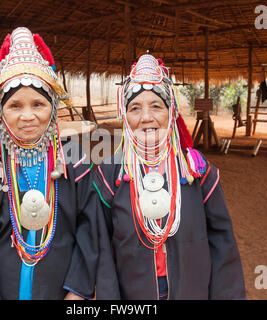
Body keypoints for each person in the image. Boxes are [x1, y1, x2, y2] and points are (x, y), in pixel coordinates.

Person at [93, 54, 246, 300]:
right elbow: (102, 250)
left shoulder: (195, 170)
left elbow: (222, 242)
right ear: (124, 116)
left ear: (171, 111)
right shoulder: (110, 174)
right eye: (135, 108)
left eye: (156, 106)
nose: (146, 117)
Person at [0, 27, 97, 300]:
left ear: (53, 109)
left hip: (62, 292)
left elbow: (89, 228)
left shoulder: (75, 162)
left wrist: (78, 290)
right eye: (14, 106)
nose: (27, 116)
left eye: (38, 104)